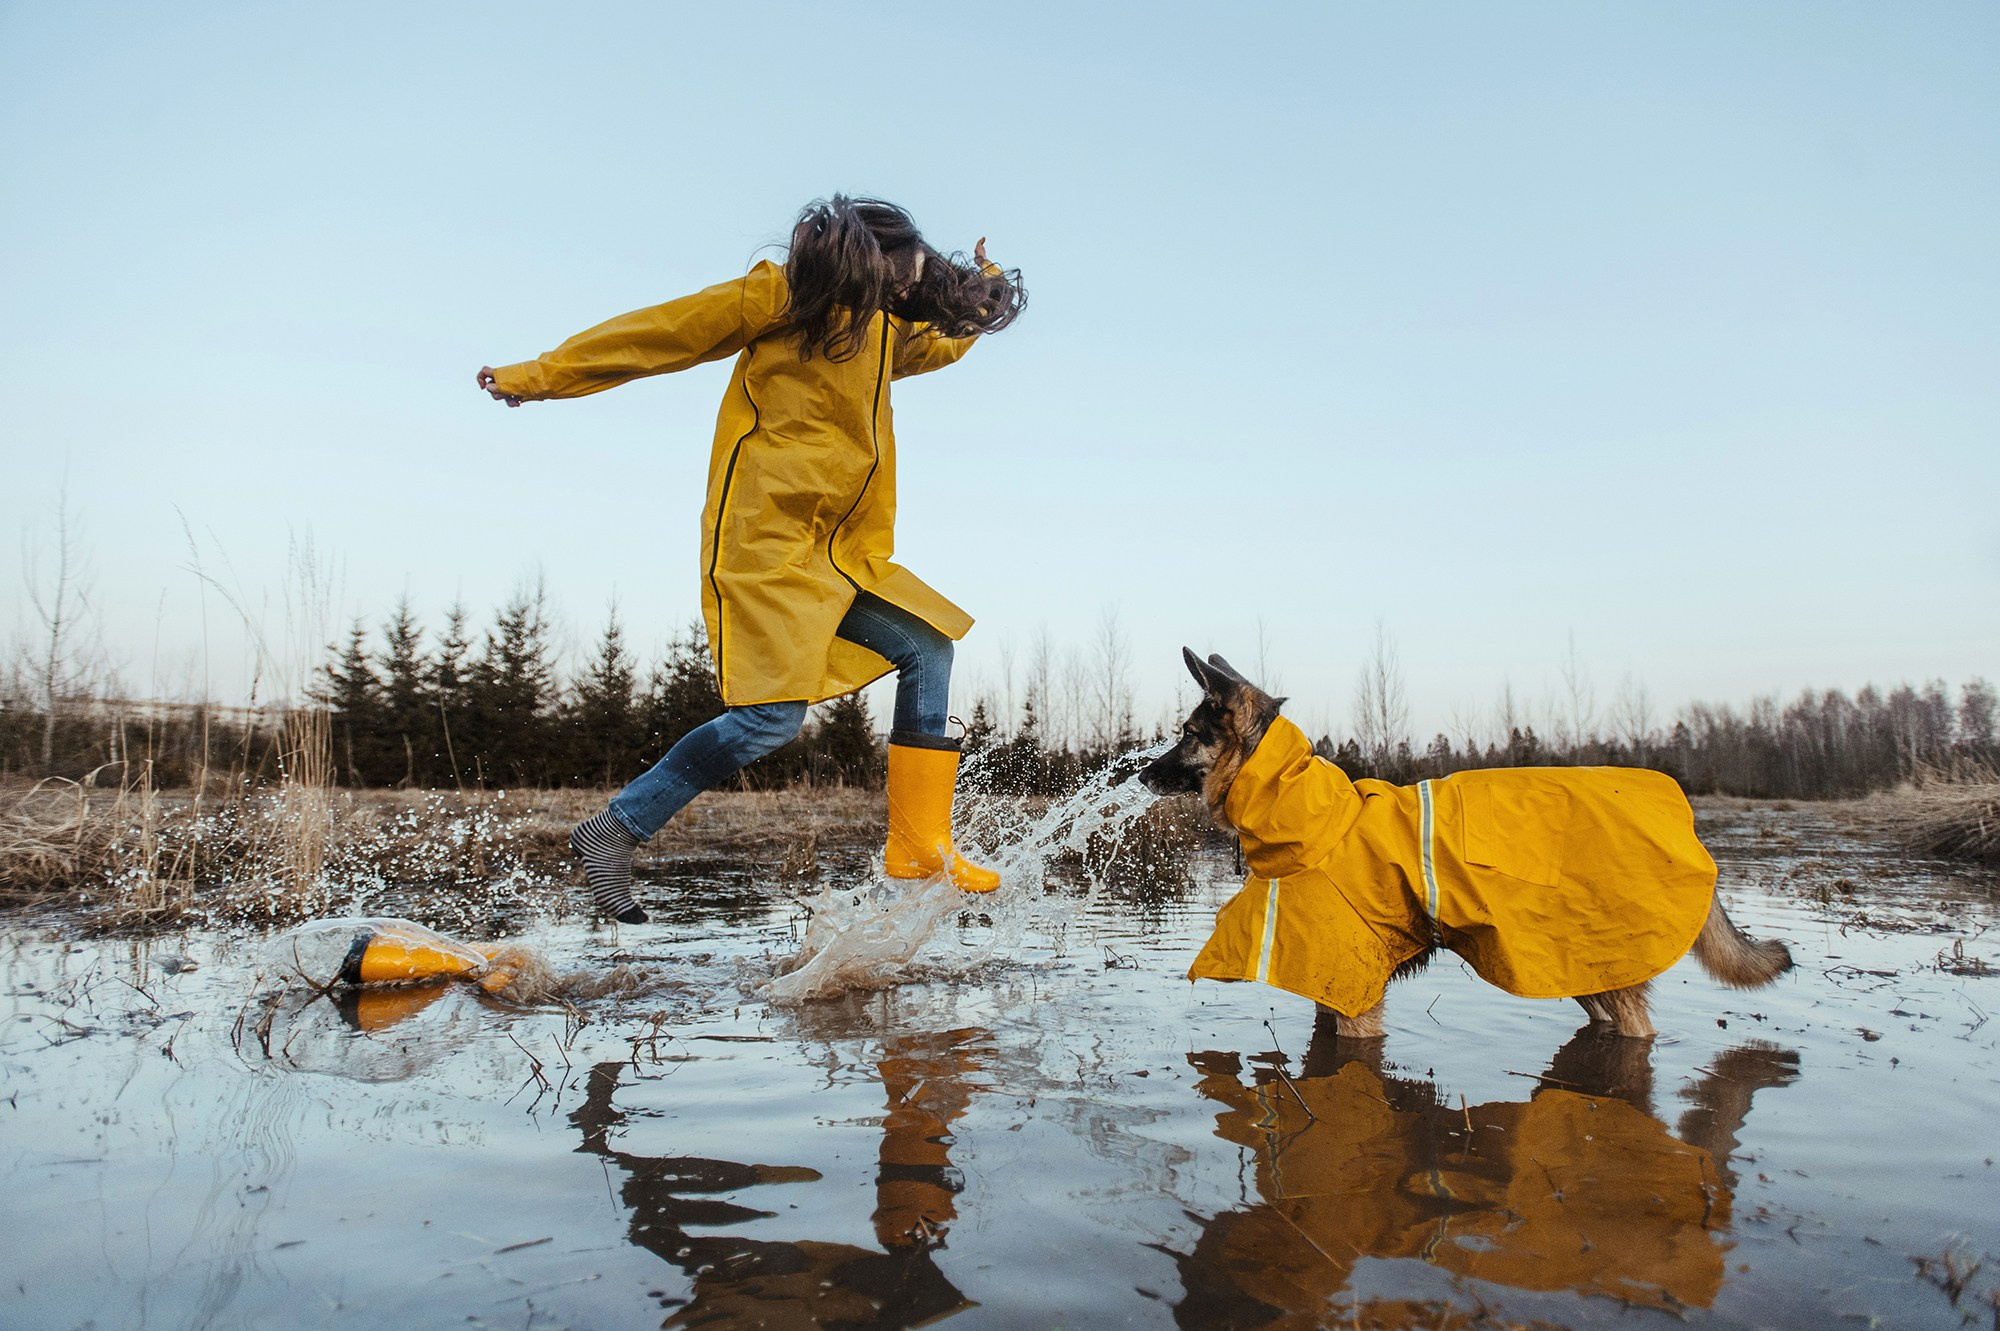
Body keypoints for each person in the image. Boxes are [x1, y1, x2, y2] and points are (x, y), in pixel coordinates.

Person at [479, 196, 1026, 923]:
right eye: (901, 278)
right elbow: (659, 334)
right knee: (770, 720)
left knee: (929, 644)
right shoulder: (780, 298)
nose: (906, 292)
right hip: (765, 546)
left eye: (915, 282)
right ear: (863, 265)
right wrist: (540, 374)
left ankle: (919, 846)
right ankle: (614, 829)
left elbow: (944, 340)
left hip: (840, 554)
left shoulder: (887, 333)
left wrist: (982, 282)